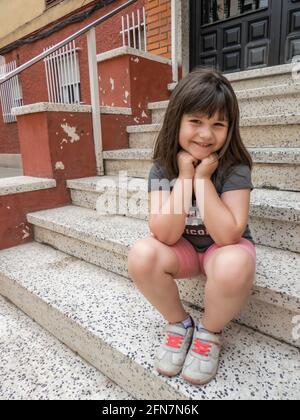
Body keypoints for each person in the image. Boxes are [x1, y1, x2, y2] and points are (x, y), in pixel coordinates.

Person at [127, 67, 256, 386]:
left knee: (235, 262)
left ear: (230, 128)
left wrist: (202, 180)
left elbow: (229, 236)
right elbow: (165, 235)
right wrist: (184, 178)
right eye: (196, 121)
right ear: (177, 121)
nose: (206, 134)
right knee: (142, 255)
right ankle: (180, 324)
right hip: (182, 250)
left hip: (220, 250)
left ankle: (208, 333)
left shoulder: (234, 167)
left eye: (218, 124)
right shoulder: (161, 168)